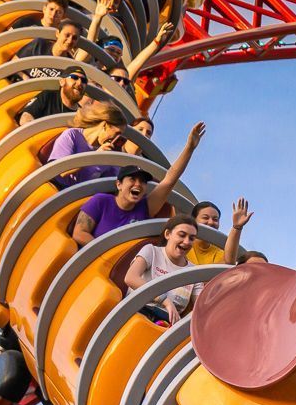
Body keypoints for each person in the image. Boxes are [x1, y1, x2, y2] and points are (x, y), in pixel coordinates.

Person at [72, 122, 206, 246]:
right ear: (119, 184)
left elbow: (170, 179)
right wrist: (107, 252)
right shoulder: (101, 201)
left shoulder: (145, 208)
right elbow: (79, 233)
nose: (138, 184)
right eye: (132, 179)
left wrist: (189, 148)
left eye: (143, 181)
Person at [124, 215, 201, 325]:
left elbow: (201, 307)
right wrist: (165, 300)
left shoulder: (194, 272)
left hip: (167, 326)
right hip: (137, 313)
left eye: (191, 238)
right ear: (167, 234)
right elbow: (131, 278)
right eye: (182, 235)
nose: (187, 241)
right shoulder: (151, 251)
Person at [47, 102, 127, 188]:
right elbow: (61, 171)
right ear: (105, 125)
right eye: (117, 133)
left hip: (80, 197)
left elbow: (113, 185)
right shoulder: (72, 135)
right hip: (55, 189)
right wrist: (93, 157)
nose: (116, 138)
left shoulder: (108, 152)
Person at [188, 198, 254, 266]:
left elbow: (228, 262)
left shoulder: (219, 252)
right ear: (194, 220)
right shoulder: (184, 242)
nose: (211, 222)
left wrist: (237, 227)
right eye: (205, 218)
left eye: (215, 219)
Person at [11, 19, 82, 80]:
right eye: (67, 35)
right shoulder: (40, 44)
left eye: (74, 38)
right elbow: (13, 63)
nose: (70, 40)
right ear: (58, 33)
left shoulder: (69, 66)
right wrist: (26, 79)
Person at [17, 65, 87, 125]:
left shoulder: (81, 115)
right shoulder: (48, 96)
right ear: (62, 82)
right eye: (74, 77)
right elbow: (25, 118)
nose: (79, 83)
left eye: (84, 81)